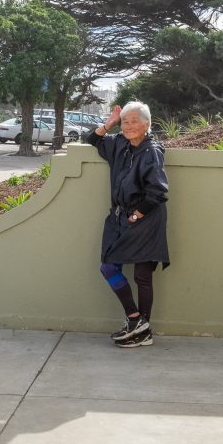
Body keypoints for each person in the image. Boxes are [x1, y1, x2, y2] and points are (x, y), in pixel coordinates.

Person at [86, 101, 169, 348]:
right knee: (108, 267)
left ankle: (142, 332)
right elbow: (93, 139)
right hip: (119, 218)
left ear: (147, 125)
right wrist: (109, 123)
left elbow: (158, 191)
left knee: (143, 276)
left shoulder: (151, 151)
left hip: (145, 218)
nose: (129, 126)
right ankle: (136, 320)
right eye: (125, 121)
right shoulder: (120, 143)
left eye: (134, 121)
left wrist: (137, 216)